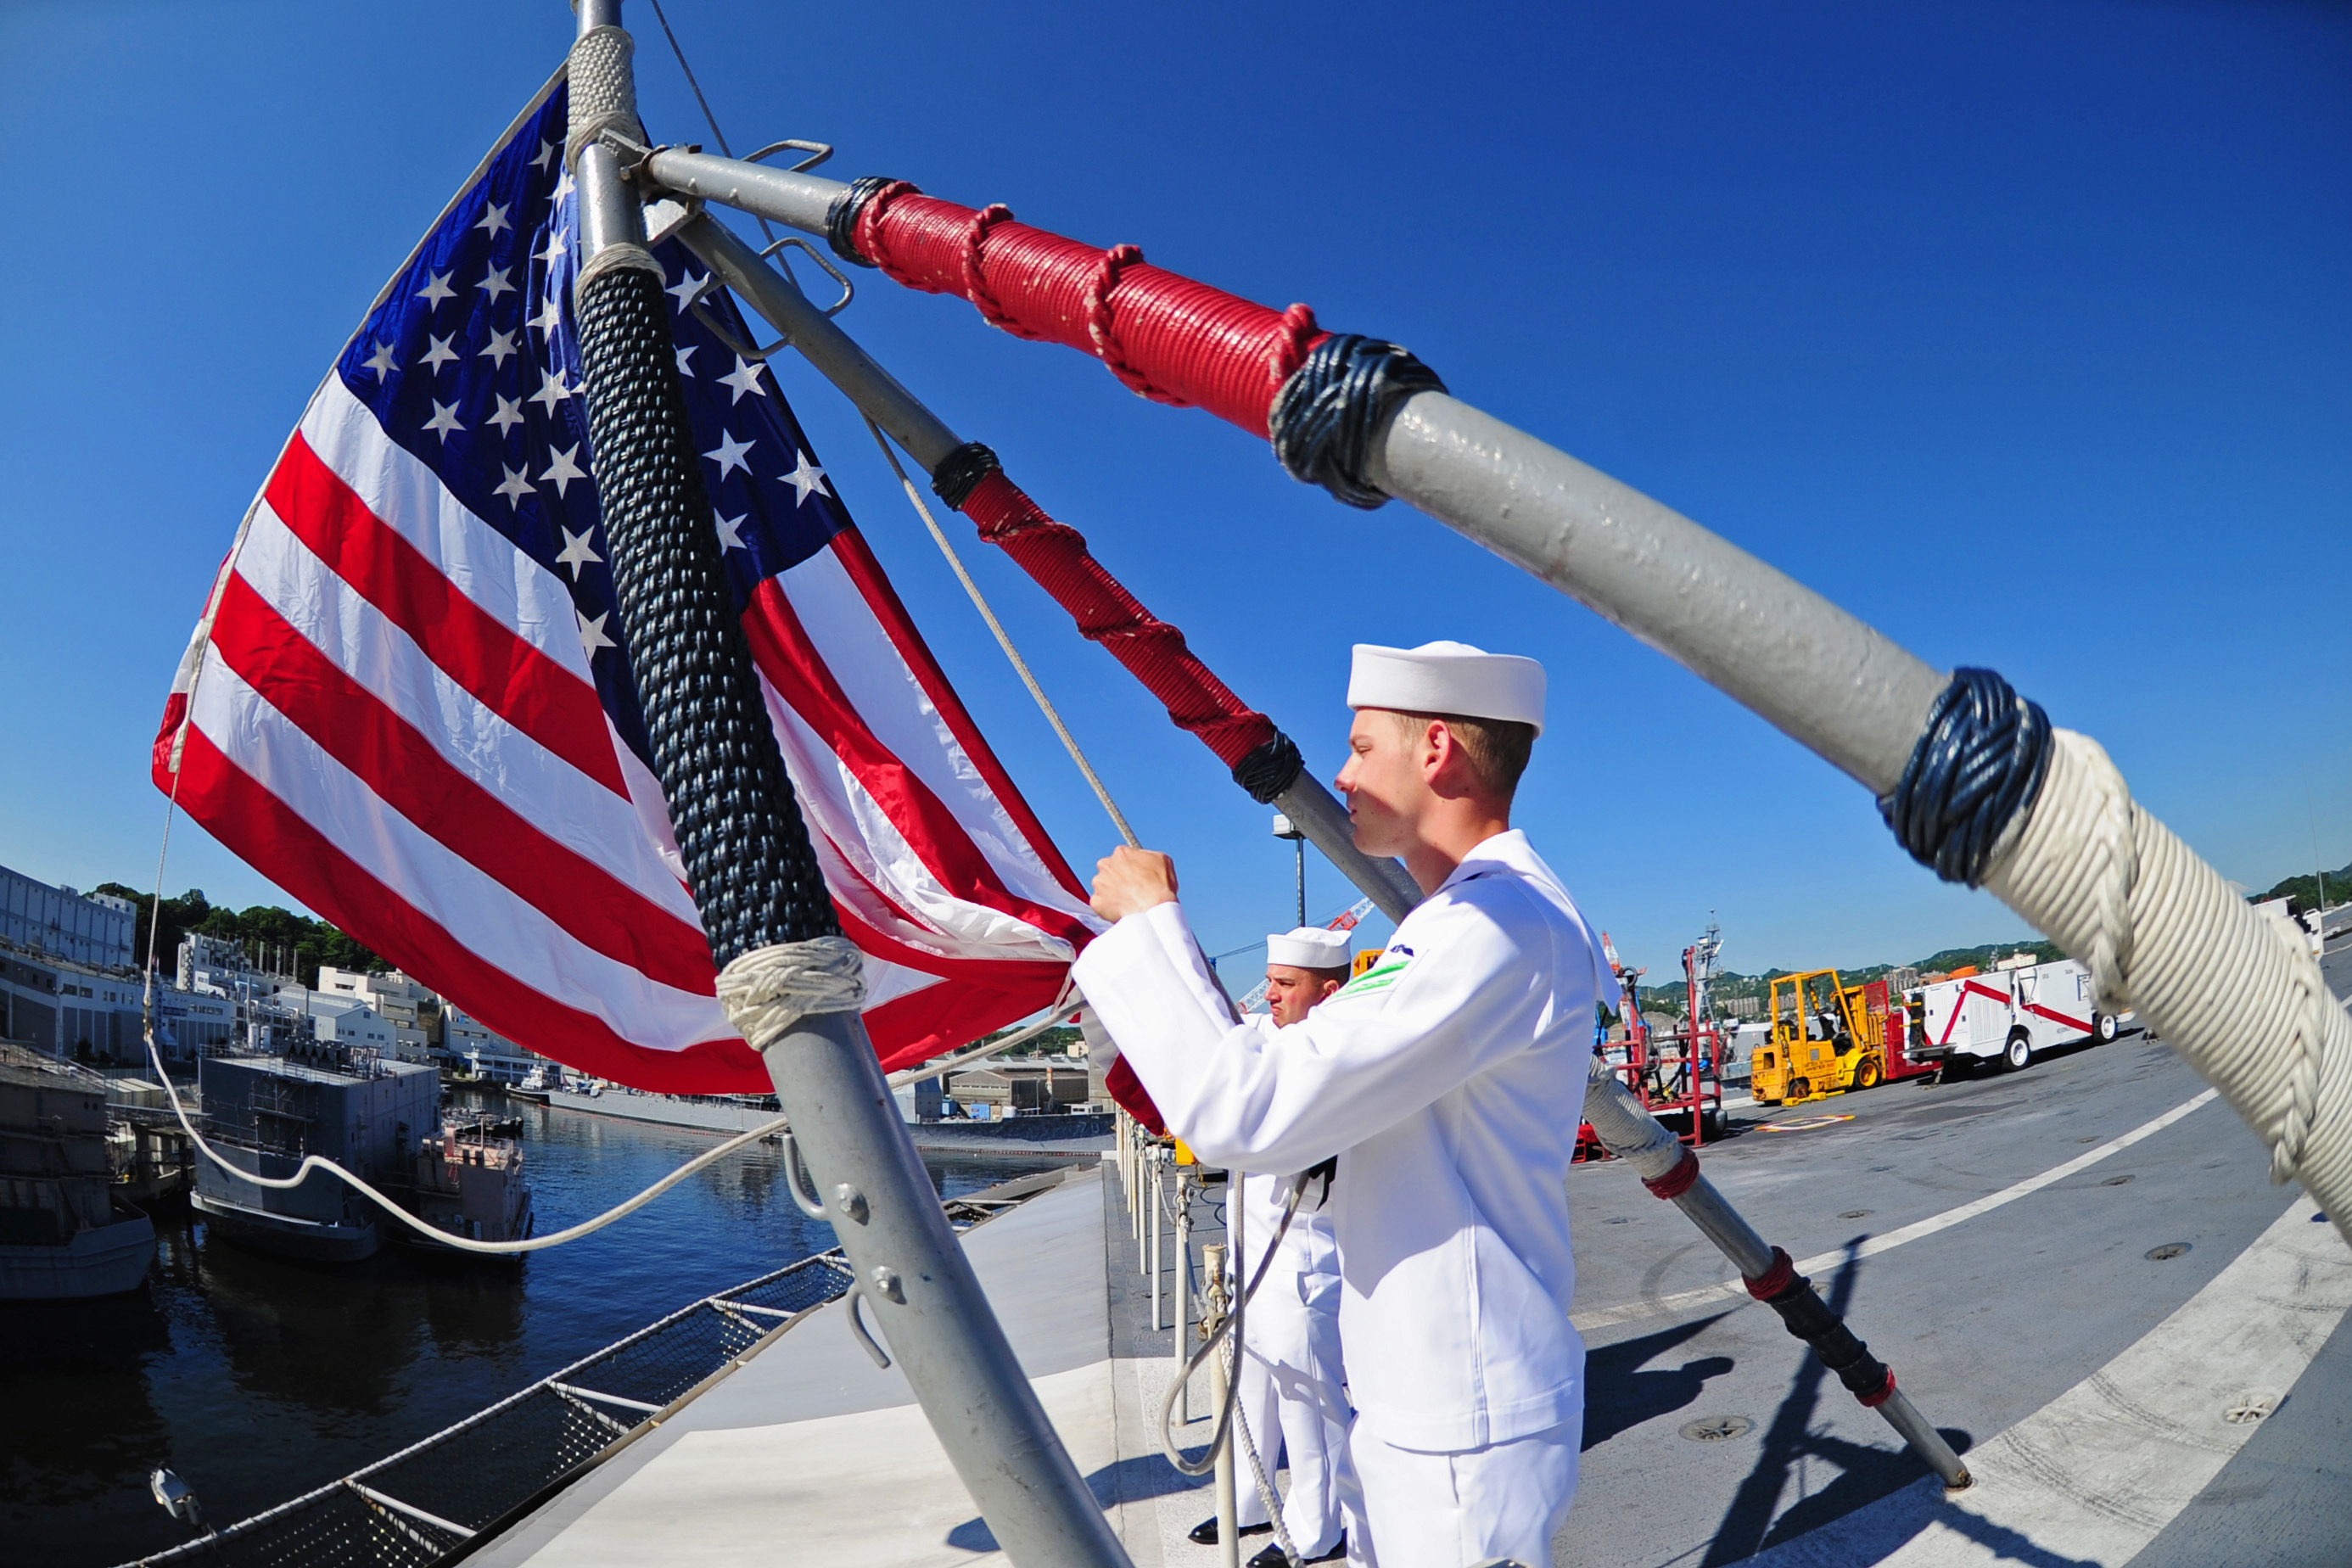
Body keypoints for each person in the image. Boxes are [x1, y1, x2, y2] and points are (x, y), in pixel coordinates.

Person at [1073, 640, 1613, 1568]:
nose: (1341, 771)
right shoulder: (1461, 925)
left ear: (1435, 749)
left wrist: (1152, 925)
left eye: (1363, 746)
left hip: (1460, 1413)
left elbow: (1247, 1108)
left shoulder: (1498, 926)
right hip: (1424, 1393)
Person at [1188, 926, 1355, 1565]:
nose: (1272, 996)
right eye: (1273, 981)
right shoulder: (1265, 1037)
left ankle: (1318, 1527)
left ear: (1328, 990)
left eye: (1287, 985)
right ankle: (1251, 1502)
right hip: (1245, 1253)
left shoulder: (1336, 1055)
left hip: (1299, 1260)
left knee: (1308, 1397)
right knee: (1248, 1386)